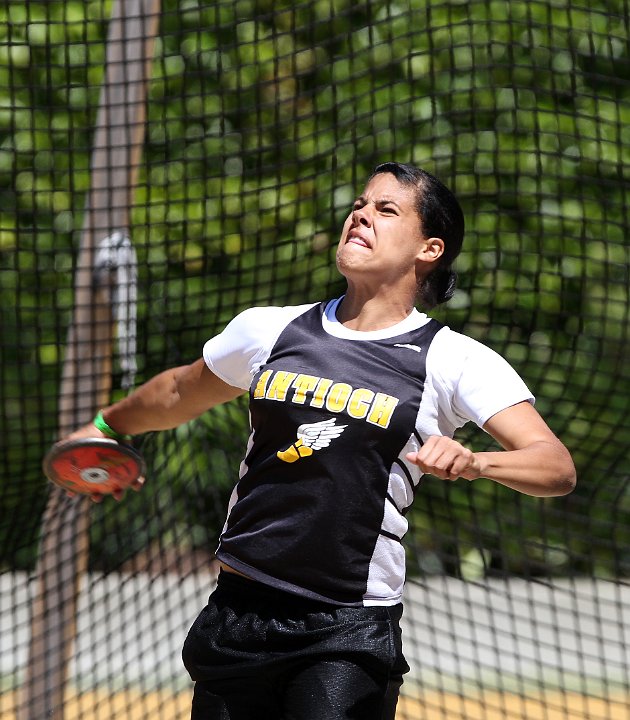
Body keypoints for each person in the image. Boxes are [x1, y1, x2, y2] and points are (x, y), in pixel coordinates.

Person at [65, 162, 576, 719]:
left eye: (386, 209)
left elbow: (554, 467)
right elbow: (179, 391)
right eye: (360, 204)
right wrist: (107, 427)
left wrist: (477, 461)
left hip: (344, 629)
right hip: (238, 611)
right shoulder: (271, 329)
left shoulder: (454, 360)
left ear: (429, 250)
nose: (360, 215)